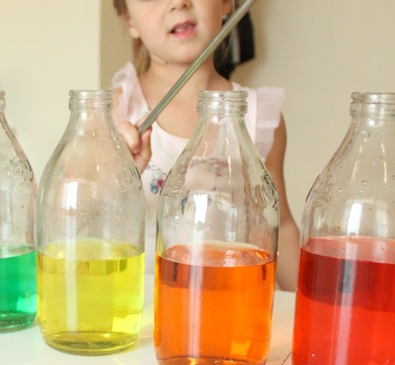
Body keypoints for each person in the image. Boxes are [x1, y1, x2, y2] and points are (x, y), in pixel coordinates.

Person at [112, 0, 299, 291]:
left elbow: (281, 226)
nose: (178, 3)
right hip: (136, 314)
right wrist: (115, 180)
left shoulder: (259, 118)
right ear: (129, 22)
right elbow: (88, 218)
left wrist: (309, 305)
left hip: (225, 306)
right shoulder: (117, 112)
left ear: (226, 3)